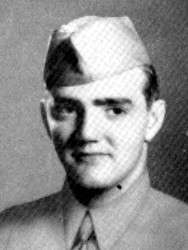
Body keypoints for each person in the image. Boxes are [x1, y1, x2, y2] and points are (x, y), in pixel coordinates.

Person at [0, 15, 188, 250]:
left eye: (115, 110)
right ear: (47, 119)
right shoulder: (5, 235)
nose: (87, 133)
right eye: (68, 109)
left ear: (153, 119)